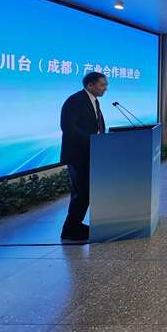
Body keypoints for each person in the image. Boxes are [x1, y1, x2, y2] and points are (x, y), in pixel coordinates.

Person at [60, 71, 108, 241]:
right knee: (81, 192)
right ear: (90, 85)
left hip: (90, 153)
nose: (105, 88)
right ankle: (69, 230)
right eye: (102, 85)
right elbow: (68, 126)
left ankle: (76, 225)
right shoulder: (75, 100)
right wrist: (91, 140)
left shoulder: (93, 100)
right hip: (78, 154)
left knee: (85, 191)